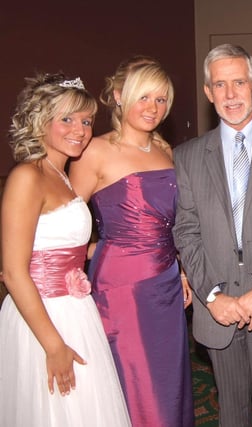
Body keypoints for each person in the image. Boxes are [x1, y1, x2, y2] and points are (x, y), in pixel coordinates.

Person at [68, 57, 194, 427]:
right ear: (120, 97)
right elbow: (69, 224)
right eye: (144, 98)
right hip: (122, 288)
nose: (153, 108)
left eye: (161, 100)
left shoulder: (167, 151)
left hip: (167, 284)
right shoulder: (94, 151)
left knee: (169, 381)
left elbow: (176, 224)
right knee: (138, 384)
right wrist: (92, 252)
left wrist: (183, 270)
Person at [172, 44, 252, 427]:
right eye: (219, 85)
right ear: (208, 93)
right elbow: (185, 230)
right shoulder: (187, 156)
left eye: (239, 82)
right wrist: (211, 296)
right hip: (216, 307)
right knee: (232, 414)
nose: (230, 94)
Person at [0, 73, 131, 426]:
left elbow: (58, 246)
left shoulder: (61, 176)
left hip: (76, 312)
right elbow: (13, 272)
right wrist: (53, 345)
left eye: (87, 121)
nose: (81, 129)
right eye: (67, 119)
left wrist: (115, 248)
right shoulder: (27, 177)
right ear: (42, 121)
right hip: (41, 317)